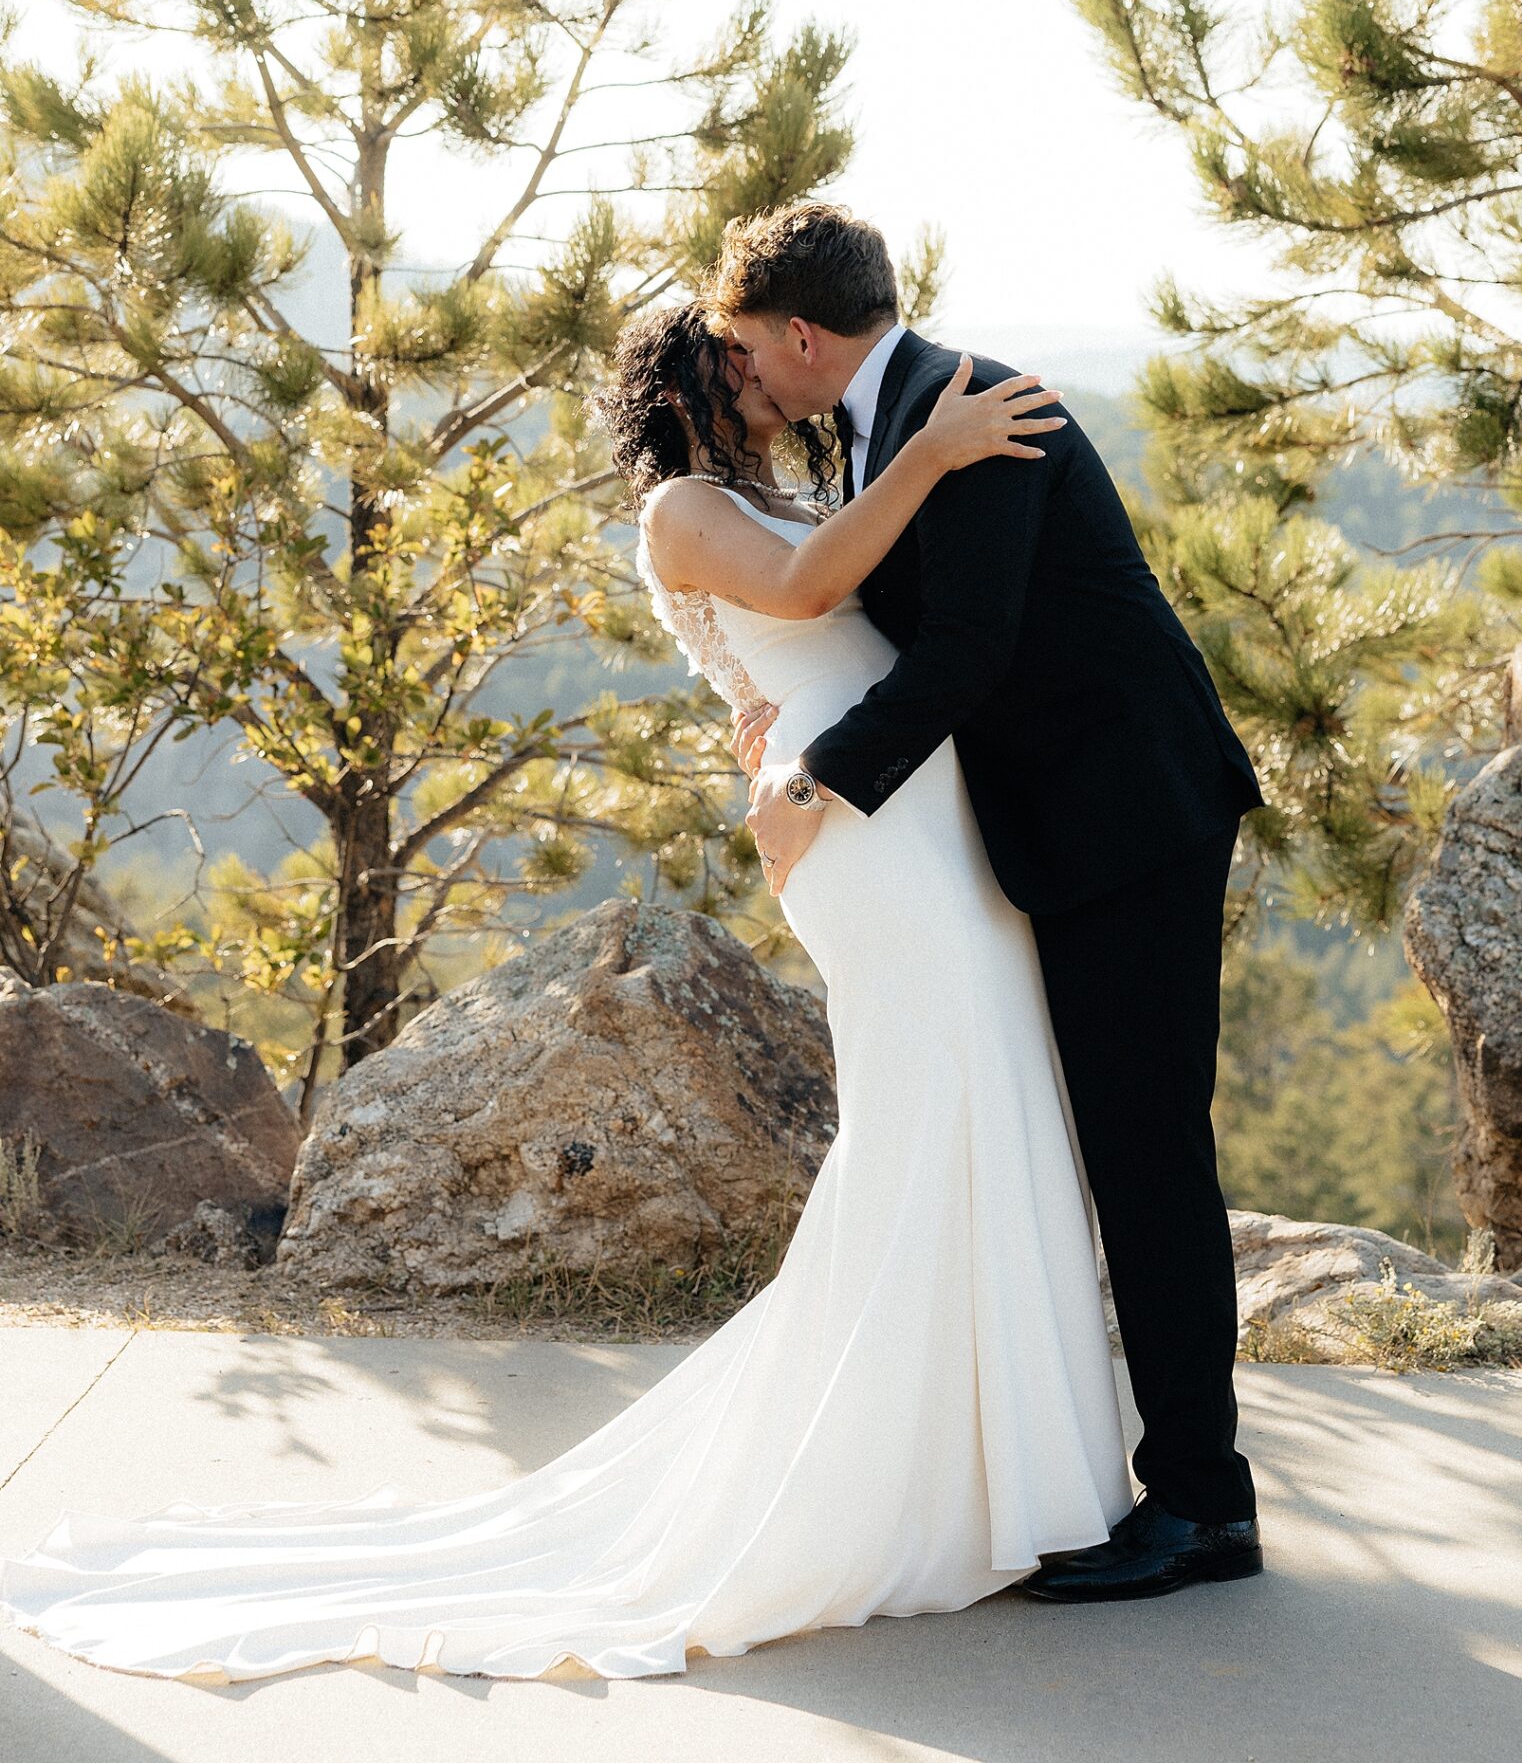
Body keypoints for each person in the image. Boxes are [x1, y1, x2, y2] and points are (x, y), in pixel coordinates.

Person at [0, 297, 1140, 1685]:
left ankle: (996, 1464)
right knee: (929, 1113)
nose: (762, 373)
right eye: (732, 359)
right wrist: (936, 453)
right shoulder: (682, 508)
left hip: (909, 809)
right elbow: (804, 594)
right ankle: (905, 1477)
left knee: (987, 1097)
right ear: (687, 388)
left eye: (758, 350)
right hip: (857, 833)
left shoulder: (786, 486)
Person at [710, 201, 1265, 1600]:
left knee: (1146, 1154)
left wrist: (814, 783)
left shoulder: (976, 413)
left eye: (749, 349)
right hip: (1061, 825)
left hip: (1131, 817)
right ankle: (1103, 1476)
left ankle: (1204, 1507)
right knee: (1108, 1147)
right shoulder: (889, 423)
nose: (746, 377)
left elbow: (966, 651)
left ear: (798, 333)